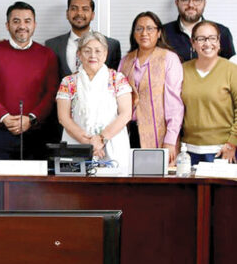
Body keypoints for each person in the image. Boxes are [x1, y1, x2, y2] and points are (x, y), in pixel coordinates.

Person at [0, 1, 58, 162]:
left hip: (35, 133)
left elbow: (52, 93)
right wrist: (4, 116)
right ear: (7, 25)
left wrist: (31, 119)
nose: (22, 26)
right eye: (16, 21)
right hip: (0, 132)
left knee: (35, 186)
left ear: (34, 24)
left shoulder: (47, 55)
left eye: (27, 21)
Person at [56, 31, 132, 173]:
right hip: (77, 144)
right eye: (87, 51)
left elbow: (126, 114)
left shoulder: (117, 79)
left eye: (98, 51)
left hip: (112, 144)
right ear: (79, 54)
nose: (93, 55)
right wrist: (89, 144)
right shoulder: (68, 82)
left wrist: (101, 140)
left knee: (113, 191)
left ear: (105, 54)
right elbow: (63, 118)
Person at [118, 12, 183, 164]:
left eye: (150, 29)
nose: (144, 33)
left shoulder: (169, 58)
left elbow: (174, 103)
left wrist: (171, 139)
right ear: (133, 33)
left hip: (160, 133)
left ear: (159, 33)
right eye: (139, 29)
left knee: (158, 182)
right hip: (129, 132)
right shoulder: (126, 61)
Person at [181, 21, 237, 165]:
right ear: (193, 43)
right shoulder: (181, 70)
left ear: (219, 42)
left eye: (212, 38)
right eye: (201, 39)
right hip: (188, 150)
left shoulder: (231, 70)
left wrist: (232, 143)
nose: (207, 43)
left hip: (223, 149)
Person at [45, 0, 121, 79]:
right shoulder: (52, 45)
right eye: (74, 8)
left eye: (85, 9)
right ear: (67, 13)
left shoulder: (111, 45)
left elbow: (113, 81)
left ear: (92, 15)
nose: (79, 13)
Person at [164, 0, 235, 61]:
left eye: (197, 0)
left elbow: (230, 69)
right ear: (177, 3)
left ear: (204, 3)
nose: (191, 5)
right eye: (185, 0)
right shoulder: (162, 33)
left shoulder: (222, 32)